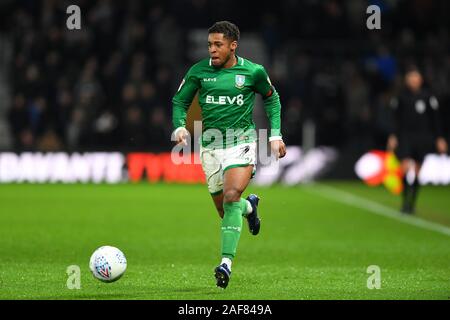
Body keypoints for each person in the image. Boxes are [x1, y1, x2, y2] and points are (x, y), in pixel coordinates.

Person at [171, 21, 286, 288]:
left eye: (218, 45)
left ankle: (225, 264)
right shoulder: (198, 71)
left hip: (242, 141)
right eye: (210, 44)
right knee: (227, 209)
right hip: (210, 146)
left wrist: (275, 135)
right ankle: (250, 207)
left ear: (233, 46)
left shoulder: (253, 71)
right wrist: (179, 125)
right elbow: (180, 101)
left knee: (232, 194)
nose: (212, 49)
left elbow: (272, 98)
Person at [387, 67, 448, 214]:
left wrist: (439, 138)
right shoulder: (401, 97)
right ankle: (404, 202)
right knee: (405, 167)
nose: (414, 80)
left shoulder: (428, 96)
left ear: (420, 79)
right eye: (411, 77)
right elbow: (396, 119)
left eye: (416, 77)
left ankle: (412, 203)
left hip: (423, 137)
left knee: (418, 170)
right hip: (406, 136)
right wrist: (393, 135)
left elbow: (435, 120)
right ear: (407, 80)